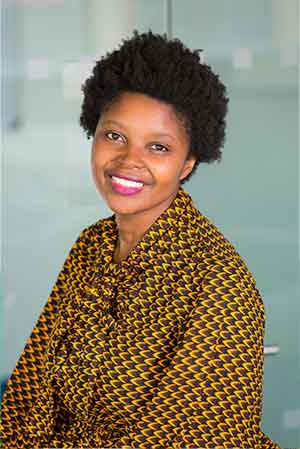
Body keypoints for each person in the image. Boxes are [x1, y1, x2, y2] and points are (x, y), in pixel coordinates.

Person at [0, 30, 281, 449]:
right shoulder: (91, 247)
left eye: (158, 147)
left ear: (188, 162)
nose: (129, 161)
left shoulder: (218, 283)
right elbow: (29, 395)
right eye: (114, 135)